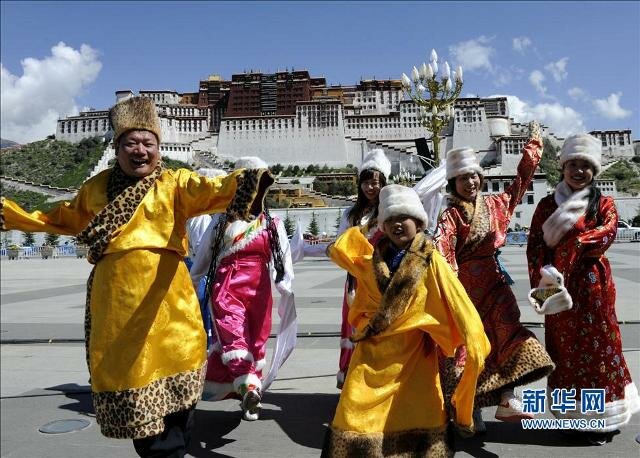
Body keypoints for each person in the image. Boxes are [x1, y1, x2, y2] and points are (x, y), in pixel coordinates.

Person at [0, 96, 267, 457]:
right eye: (132, 143)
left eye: (148, 143)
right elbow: (59, 219)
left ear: (159, 149)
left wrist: (250, 178)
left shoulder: (175, 184)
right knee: (139, 400)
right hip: (118, 311)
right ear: (116, 148)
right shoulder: (95, 190)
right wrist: (13, 215)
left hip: (169, 306)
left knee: (178, 397)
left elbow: (212, 190)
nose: (140, 151)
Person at [322, 185, 490, 457]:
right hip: (372, 352)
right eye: (390, 220)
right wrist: (367, 227)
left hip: (413, 352)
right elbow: (343, 251)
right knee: (354, 409)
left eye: (404, 218)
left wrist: (473, 339)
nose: (397, 225)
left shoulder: (431, 259)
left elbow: (459, 301)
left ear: (419, 222)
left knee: (415, 413)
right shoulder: (372, 258)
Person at [436, 121, 554, 432]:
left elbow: (521, 180)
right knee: (468, 348)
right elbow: (444, 249)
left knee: (506, 333)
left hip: (495, 283)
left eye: (473, 175)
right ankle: (467, 408)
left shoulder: (497, 205)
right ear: (454, 183)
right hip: (464, 291)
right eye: (463, 178)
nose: (470, 182)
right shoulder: (450, 215)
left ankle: (506, 397)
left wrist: (534, 146)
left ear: (480, 177)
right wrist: (452, 287)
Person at [526, 133, 640, 445]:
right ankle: (572, 417)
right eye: (572, 164)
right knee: (564, 351)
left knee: (599, 348)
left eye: (585, 166)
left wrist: (576, 242)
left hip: (593, 287)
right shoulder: (547, 205)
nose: (578, 171)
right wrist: (544, 276)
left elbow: (607, 232)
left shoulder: (603, 203)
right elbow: (535, 246)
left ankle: (603, 419)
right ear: (562, 168)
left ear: (594, 171)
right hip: (556, 285)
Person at [190, 156, 297, 421]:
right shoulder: (221, 222)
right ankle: (250, 389)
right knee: (233, 337)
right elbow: (203, 258)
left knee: (256, 341)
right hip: (227, 287)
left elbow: (282, 261)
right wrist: (191, 285)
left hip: (259, 289)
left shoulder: (272, 224)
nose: (256, 193)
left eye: (261, 187)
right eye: (252, 185)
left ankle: (248, 389)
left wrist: (285, 287)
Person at [333, 149, 390, 389]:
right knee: (355, 326)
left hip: (382, 279)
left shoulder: (389, 210)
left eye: (376, 183)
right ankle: (352, 378)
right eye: (366, 182)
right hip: (356, 281)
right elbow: (338, 245)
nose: (370, 188)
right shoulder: (351, 214)